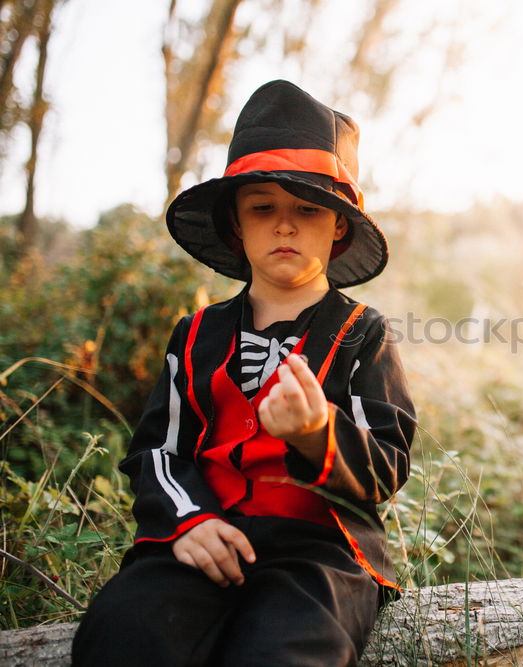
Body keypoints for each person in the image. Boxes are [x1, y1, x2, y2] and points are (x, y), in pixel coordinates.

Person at [72, 80, 417, 666]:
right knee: (123, 633)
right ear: (236, 222)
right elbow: (158, 450)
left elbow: (387, 465)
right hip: (206, 535)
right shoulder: (196, 335)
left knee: (287, 654)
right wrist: (188, 521)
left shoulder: (363, 333)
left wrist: (316, 432)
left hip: (319, 553)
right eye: (263, 208)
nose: (284, 226)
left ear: (338, 225)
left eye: (307, 209)